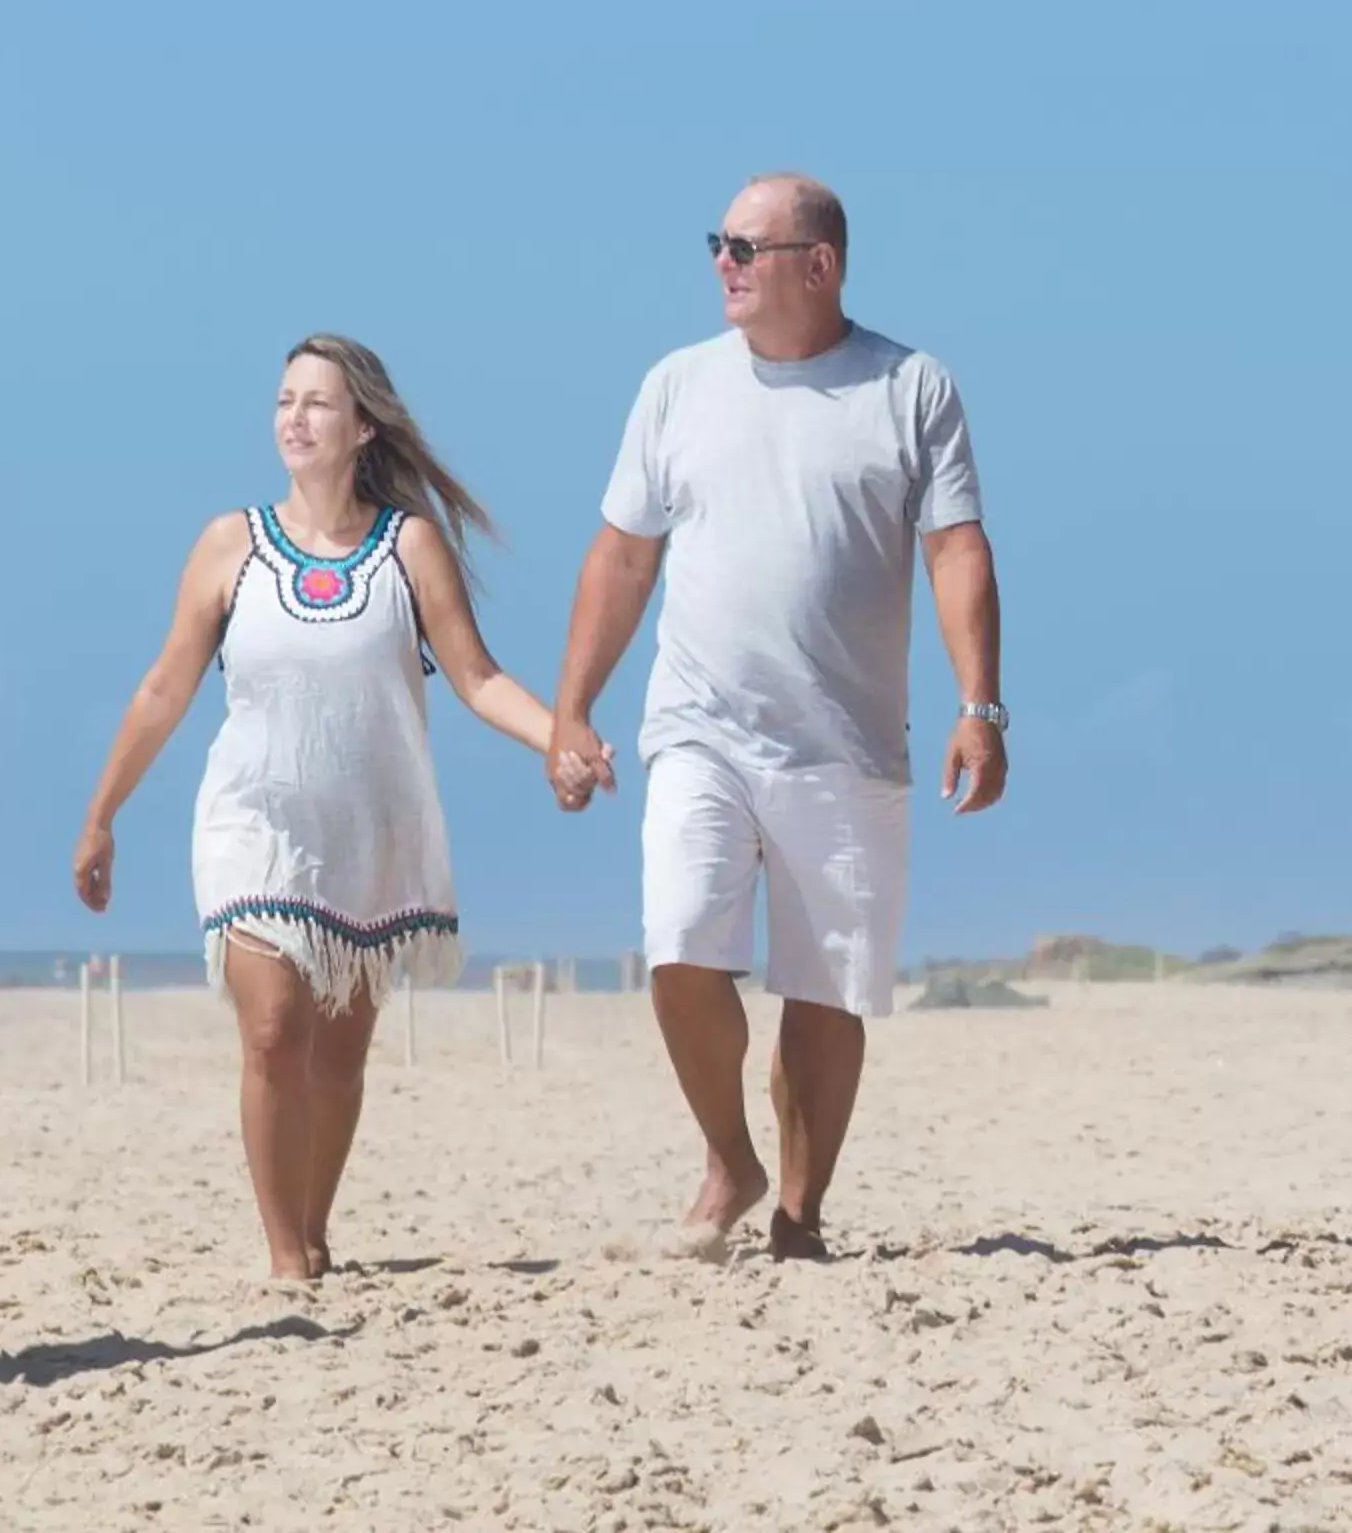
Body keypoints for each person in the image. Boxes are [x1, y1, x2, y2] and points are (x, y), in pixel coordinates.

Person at [547, 171, 1005, 1262]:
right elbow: (622, 554)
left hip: (848, 736)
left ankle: (799, 1214)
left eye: (747, 247)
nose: (724, 263)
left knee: (827, 988)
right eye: (720, 243)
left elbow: (956, 548)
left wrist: (978, 703)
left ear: (820, 263)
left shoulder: (910, 385)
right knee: (678, 943)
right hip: (699, 724)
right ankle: (729, 1157)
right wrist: (572, 705)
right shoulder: (676, 385)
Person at [72, 334, 558, 1280]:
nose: (294, 418)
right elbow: (164, 690)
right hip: (252, 824)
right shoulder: (230, 545)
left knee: (337, 1062)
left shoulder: (408, 545)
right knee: (271, 1032)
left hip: (371, 836)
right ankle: (286, 1255)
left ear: (362, 426)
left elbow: (477, 676)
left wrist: (561, 738)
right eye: (285, 400)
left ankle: (316, 1227)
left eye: (318, 404)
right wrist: (103, 814)